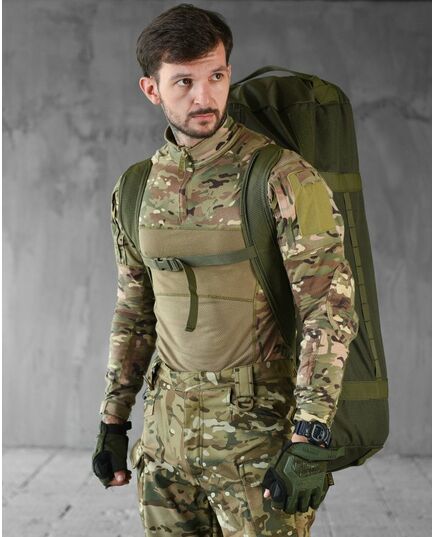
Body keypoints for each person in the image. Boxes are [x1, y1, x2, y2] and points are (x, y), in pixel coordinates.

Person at [92, 4, 359, 537]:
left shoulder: (282, 176)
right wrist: (113, 421)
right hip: (165, 440)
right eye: (184, 81)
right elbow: (134, 311)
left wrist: (309, 437)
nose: (204, 96)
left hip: (259, 438)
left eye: (216, 76)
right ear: (151, 89)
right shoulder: (136, 187)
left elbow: (327, 308)